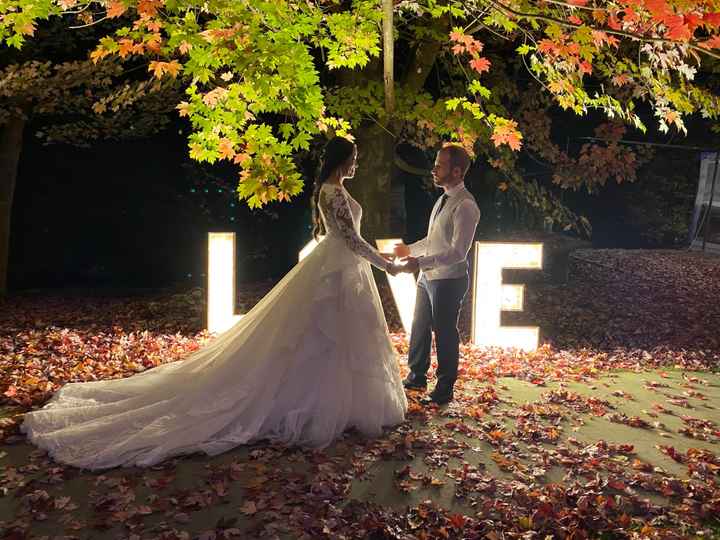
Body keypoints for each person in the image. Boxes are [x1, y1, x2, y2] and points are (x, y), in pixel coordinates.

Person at [21, 137, 408, 470]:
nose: (358, 163)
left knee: (326, 340)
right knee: (328, 339)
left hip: (338, 269)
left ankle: (328, 402)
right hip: (339, 270)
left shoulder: (330, 189)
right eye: (355, 157)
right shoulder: (334, 192)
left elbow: (347, 239)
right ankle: (321, 405)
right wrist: (385, 263)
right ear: (345, 160)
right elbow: (353, 241)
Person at [395, 144, 480, 405]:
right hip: (428, 277)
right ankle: (416, 376)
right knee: (419, 327)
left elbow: (457, 253)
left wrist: (419, 262)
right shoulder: (442, 199)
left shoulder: (466, 206)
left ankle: (444, 389)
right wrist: (410, 249)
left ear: (456, 171)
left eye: (440, 165)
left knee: (444, 332)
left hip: (449, 280)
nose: (434, 169)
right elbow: (434, 240)